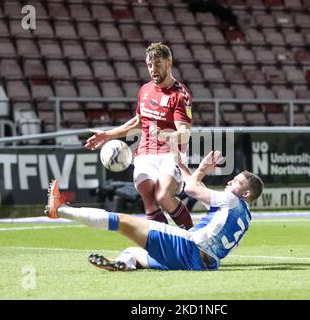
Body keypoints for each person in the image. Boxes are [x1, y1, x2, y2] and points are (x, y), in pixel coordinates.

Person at [44, 151, 264, 271]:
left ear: (245, 193)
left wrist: (203, 169)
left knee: (122, 221)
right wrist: (181, 165)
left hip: (187, 246)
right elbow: (199, 188)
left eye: (235, 182)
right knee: (133, 253)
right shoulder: (243, 213)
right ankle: (125, 265)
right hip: (203, 264)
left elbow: (192, 188)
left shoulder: (229, 200)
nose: (229, 183)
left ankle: (60, 210)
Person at [84, 43, 194, 229]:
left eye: (158, 64)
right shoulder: (145, 90)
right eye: (149, 65)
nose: (153, 69)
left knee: (163, 196)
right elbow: (138, 122)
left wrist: (165, 136)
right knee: (148, 196)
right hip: (145, 152)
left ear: (169, 63)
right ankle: (163, 245)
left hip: (171, 152)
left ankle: (194, 240)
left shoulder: (180, 95)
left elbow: (184, 134)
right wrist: (108, 135)